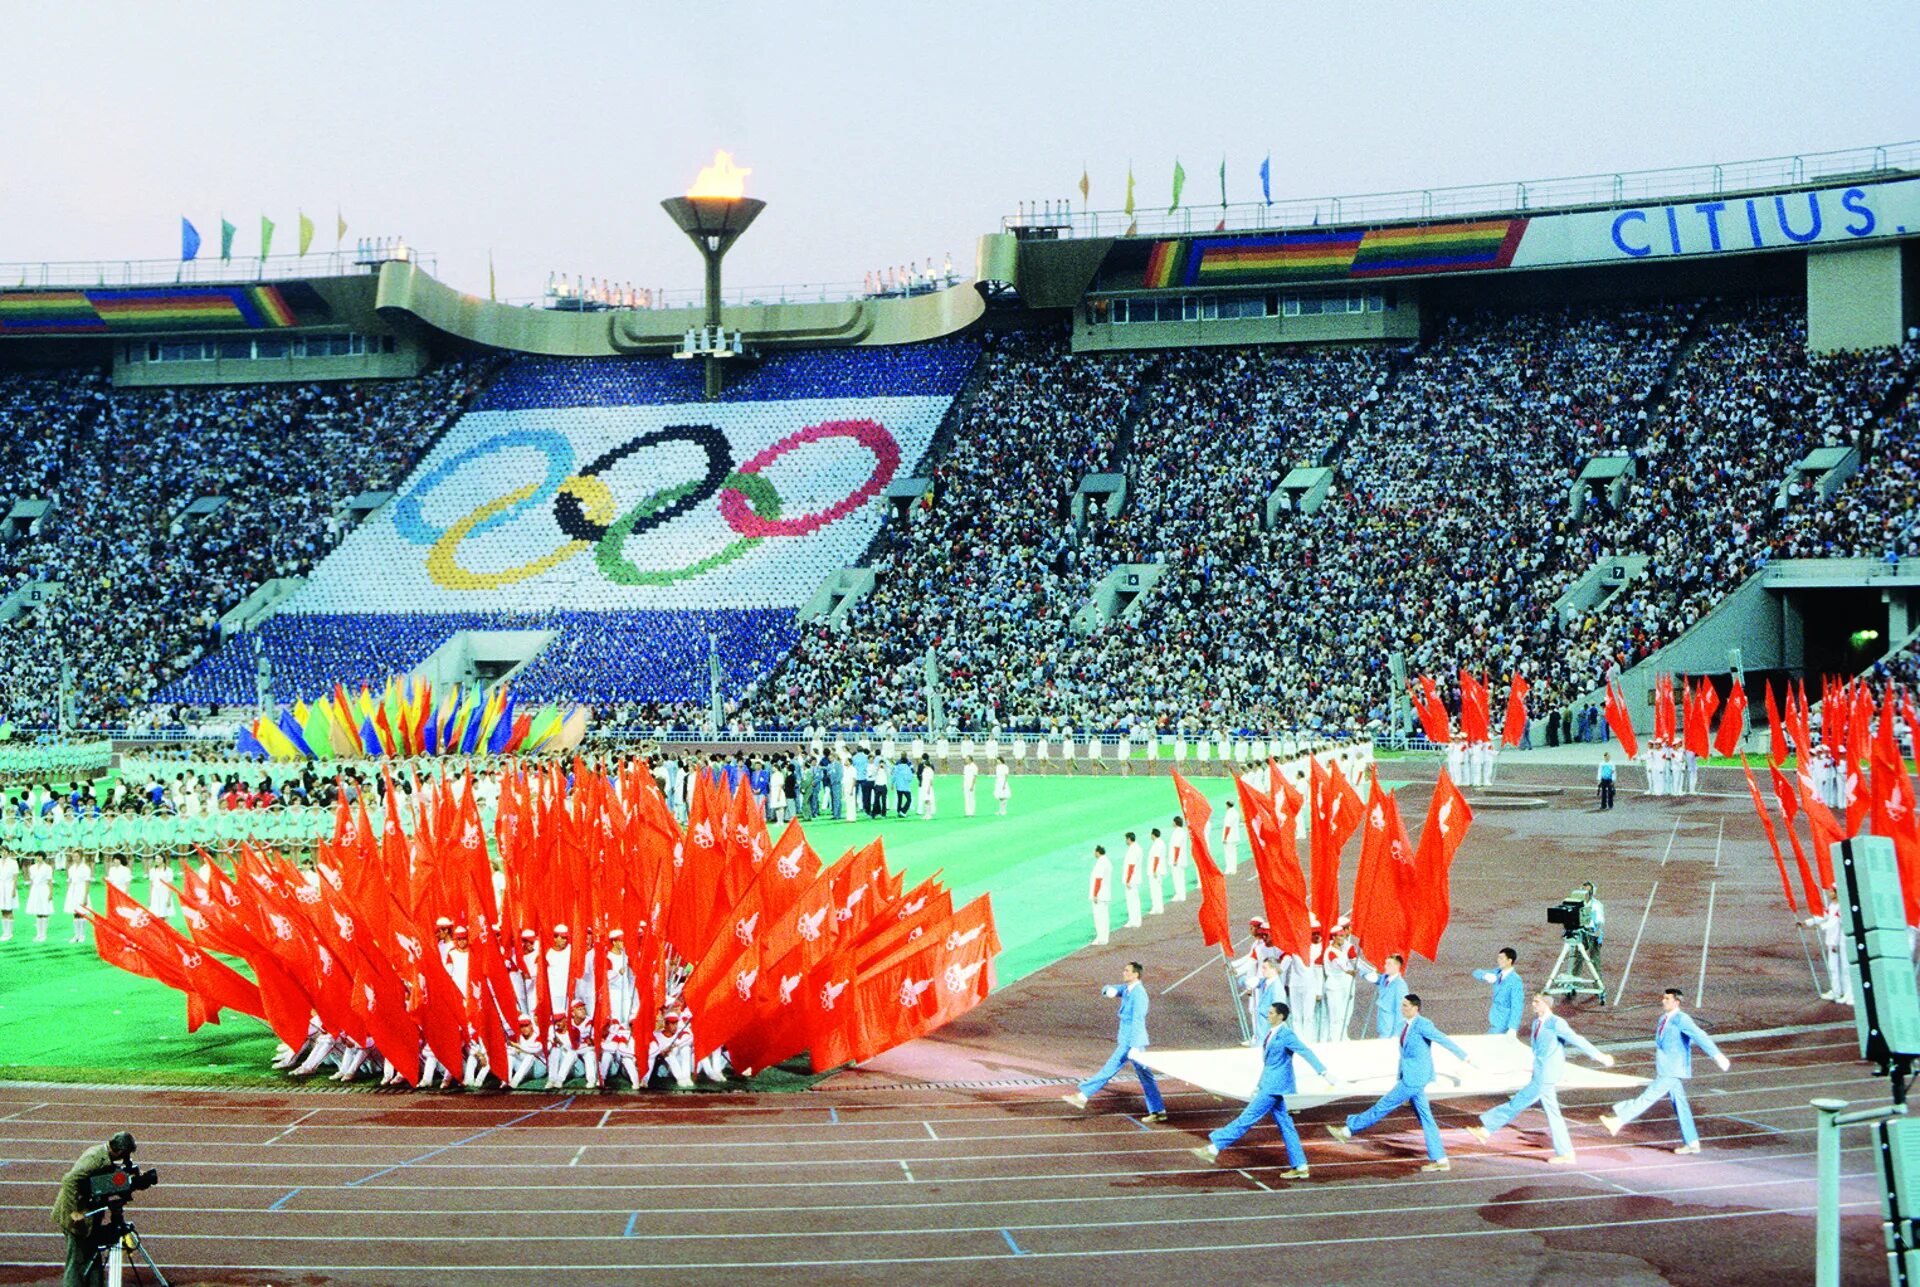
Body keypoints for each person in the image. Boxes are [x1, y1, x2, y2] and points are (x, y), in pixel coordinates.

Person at [1327, 994, 1474, 1171]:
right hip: (1412, 1077)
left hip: (1415, 1079)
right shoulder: (1406, 1026)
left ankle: (1348, 1130)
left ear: (1415, 1008)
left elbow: (1442, 1039)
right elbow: (1405, 1056)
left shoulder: (1423, 1025)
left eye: (1405, 1006)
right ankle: (1440, 1159)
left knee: (1384, 1105)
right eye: (1402, 1005)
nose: (1402, 1009)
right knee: (1426, 1118)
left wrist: (1464, 1056)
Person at [1466, 993, 1615, 1163]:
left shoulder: (1556, 1023)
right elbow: (1538, 1051)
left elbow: (1577, 1040)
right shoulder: (1537, 1023)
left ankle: (1565, 1153)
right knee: (1523, 1101)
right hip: (1540, 1072)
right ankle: (1486, 1130)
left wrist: (1600, 1056)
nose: (1533, 1004)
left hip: (1548, 1074)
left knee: (1544, 1109)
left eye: (1536, 1002)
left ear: (1546, 1004)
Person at [1193, 1001, 1335, 1177]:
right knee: (1286, 1126)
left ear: (1280, 1016)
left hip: (1273, 1087)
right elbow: (1269, 1064)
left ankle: (1214, 1147)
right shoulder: (1271, 1033)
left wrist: (1323, 1072)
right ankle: (1300, 1166)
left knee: (1246, 1118)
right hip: (1271, 1085)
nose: (1268, 1015)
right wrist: (1259, 1085)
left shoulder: (1286, 1035)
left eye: (1271, 1013)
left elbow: (1305, 1051)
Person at [1600, 987, 1730, 1154]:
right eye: (1663, 998)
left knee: (1648, 1096)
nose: (1663, 1001)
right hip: (1666, 1068)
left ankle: (1619, 1119)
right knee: (1680, 1105)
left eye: (1667, 999)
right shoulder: (1663, 1019)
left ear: (1676, 1002)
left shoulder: (1682, 1019)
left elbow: (1700, 1036)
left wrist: (1717, 1056)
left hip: (1673, 1069)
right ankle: (1692, 1142)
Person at [1063, 961, 1166, 1121]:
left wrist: (1135, 1046)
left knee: (1110, 1067)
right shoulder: (1128, 989)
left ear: (1135, 974)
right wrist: (1108, 991)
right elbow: (1110, 988)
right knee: (1145, 1075)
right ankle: (1158, 1110)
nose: (1123, 973)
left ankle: (1083, 1095)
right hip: (1129, 1039)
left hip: (1131, 1041)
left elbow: (1138, 1020)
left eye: (1127, 971)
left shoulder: (1139, 994)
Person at [52, 1130, 137, 1287]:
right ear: (119, 1151)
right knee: (77, 1261)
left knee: (92, 1255)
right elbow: (69, 1180)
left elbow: (101, 1181)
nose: (126, 1158)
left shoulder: (105, 1157)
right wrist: (74, 1212)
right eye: (125, 1154)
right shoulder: (95, 1157)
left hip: (89, 1215)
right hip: (77, 1216)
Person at [1472, 947, 1524, 1034]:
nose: (1498, 960)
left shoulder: (1515, 980)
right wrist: (1485, 975)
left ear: (1509, 961)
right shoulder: (1498, 972)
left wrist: (1513, 1027)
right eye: (1498, 958)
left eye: (1501, 958)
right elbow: (1476, 972)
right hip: (1495, 1018)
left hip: (1504, 1022)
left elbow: (1517, 1005)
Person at [1357, 952, 1410, 1038]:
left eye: (1389, 964)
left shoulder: (1400, 985)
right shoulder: (1385, 978)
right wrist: (1361, 968)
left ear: (1396, 966)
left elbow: (1401, 1010)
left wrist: (1396, 1034)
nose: (1385, 966)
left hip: (1391, 1028)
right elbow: (1374, 978)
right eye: (1386, 963)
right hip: (1383, 1025)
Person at [62, 855, 92, 945]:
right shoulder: (71, 868)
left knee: (82, 913)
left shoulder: (85, 868)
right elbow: (70, 881)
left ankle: (82, 935)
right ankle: (76, 935)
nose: (75, 858)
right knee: (75, 914)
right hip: (73, 891)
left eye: (77, 856)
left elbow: (87, 882)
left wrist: (85, 896)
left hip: (81, 890)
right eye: (74, 856)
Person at [1088, 845, 1112, 946]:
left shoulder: (1101, 863)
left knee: (1099, 917)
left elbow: (1098, 879)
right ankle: (1104, 937)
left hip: (1100, 895)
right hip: (1105, 893)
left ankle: (1100, 938)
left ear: (1098, 852)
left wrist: (1095, 894)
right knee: (1104, 916)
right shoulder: (1107, 861)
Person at [1121, 833, 1143, 929]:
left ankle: (1133, 920)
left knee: (1131, 901)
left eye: (1126, 839)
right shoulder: (1137, 848)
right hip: (1135, 878)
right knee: (1135, 900)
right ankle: (1137, 920)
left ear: (1129, 839)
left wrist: (1128, 880)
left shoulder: (1133, 850)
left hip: (1132, 879)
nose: (1125, 841)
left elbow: (1131, 866)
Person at [1145, 827, 1167, 915]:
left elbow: (1156, 858)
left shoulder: (1157, 844)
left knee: (1155, 890)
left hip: (1155, 871)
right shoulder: (1160, 843)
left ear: (1153, 835)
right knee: (1157, 889)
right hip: (1158, 870)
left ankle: (1156, 908)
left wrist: (1154, 870)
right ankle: (1159, 907)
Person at [1169, 815, 1189, 902]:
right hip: (1181, 859)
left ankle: (1179, 894)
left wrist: (1175, 859)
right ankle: (1182, 895)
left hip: (1177, 860)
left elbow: (1177, 847)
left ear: (1175, 823)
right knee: (1181, 877)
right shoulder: (1183, 832)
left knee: (1177, 877)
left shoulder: (1177, 833)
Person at [0, 848, 17, 941]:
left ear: (8, 852)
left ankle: (9, 933)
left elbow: (15, 877)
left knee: (9, 910)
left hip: (9, 886)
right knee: (3, 910)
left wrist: (13, 889)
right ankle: (4, 932)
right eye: (1, 851)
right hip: (1, 887)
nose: (3, 853)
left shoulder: (13, 863)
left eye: (5, 851)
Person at [1220, 800, 1240, 876]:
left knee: (1228, 853)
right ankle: (1233, 869)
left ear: (1228, 805)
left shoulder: (1229, 814)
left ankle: (1229, 869)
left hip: (1229, 837)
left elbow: (1228, 826)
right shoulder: (1236, 813)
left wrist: (1225, 837)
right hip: (1235, 836)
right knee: (1233, 853)